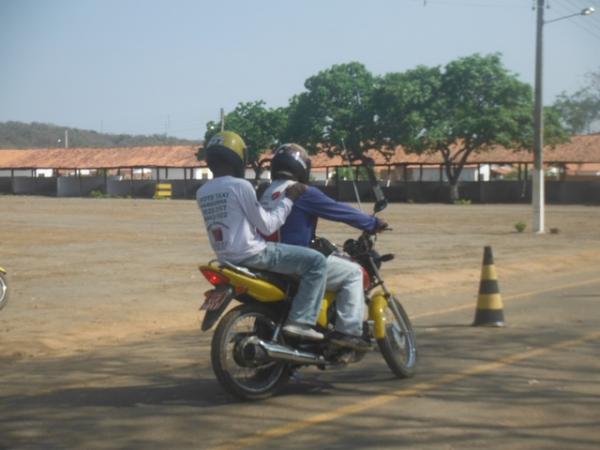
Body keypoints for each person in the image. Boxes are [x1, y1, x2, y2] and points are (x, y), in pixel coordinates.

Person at [196, 131, 327, 341]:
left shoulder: (202, 191)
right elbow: (267, 226)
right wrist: (289, 199)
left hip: (225, 258)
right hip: (255, 254)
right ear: (239, 157)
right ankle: (300, 322)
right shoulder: (241, 186)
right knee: (317, 262)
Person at [259, 143, 388, 351]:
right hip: (294, 260)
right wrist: (372, 223)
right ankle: (349, 332)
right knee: (353, 273)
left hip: (267, 257)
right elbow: (337, 210)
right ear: (302, 168)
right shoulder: (301, 191)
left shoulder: (265, 191)